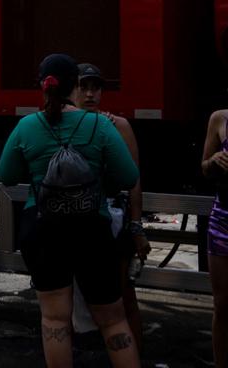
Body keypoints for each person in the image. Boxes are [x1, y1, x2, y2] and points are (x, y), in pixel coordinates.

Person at [0, 53, 141, 368]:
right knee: (114, 321)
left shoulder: (27, 126)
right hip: (93, 230)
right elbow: (129, 177)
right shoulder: (98, 125)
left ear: (43, 86)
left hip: (44, 231)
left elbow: (6, 175)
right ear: (75, 86)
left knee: (54, 320)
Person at [70, 63, 149, 348]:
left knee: (123, 295)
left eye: (95, 88)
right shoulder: (63, 126)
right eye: (83, 87)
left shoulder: (118, 125)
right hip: (73, 221)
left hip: (113, 220)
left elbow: (134, 180)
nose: (90, 94)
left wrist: (137, 226)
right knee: (73, 298)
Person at [201, 107, 228, 368]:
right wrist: (214, 161)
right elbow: (204, 168)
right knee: (222, 306)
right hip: (223, 221)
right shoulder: (220, 118)